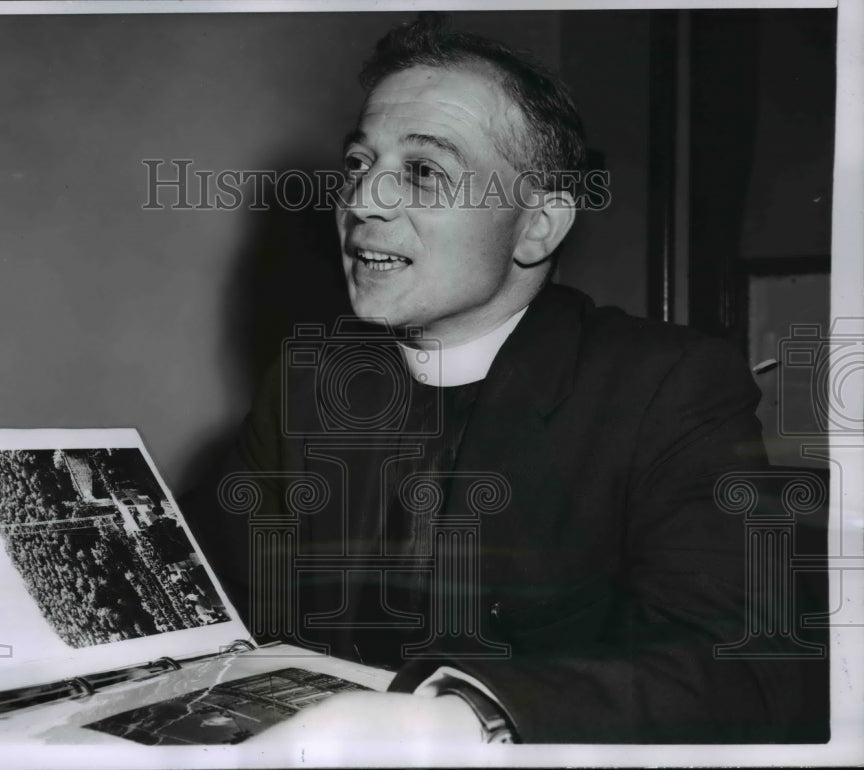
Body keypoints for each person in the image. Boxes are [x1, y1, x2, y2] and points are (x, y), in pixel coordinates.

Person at [189, 13, 822, 747]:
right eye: (359, 165)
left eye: (423, 172)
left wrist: (472, 716)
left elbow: (752, 672)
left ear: (537, 228)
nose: (364, 201)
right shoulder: (305, 382)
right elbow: (215, 607)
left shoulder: (670, 385)